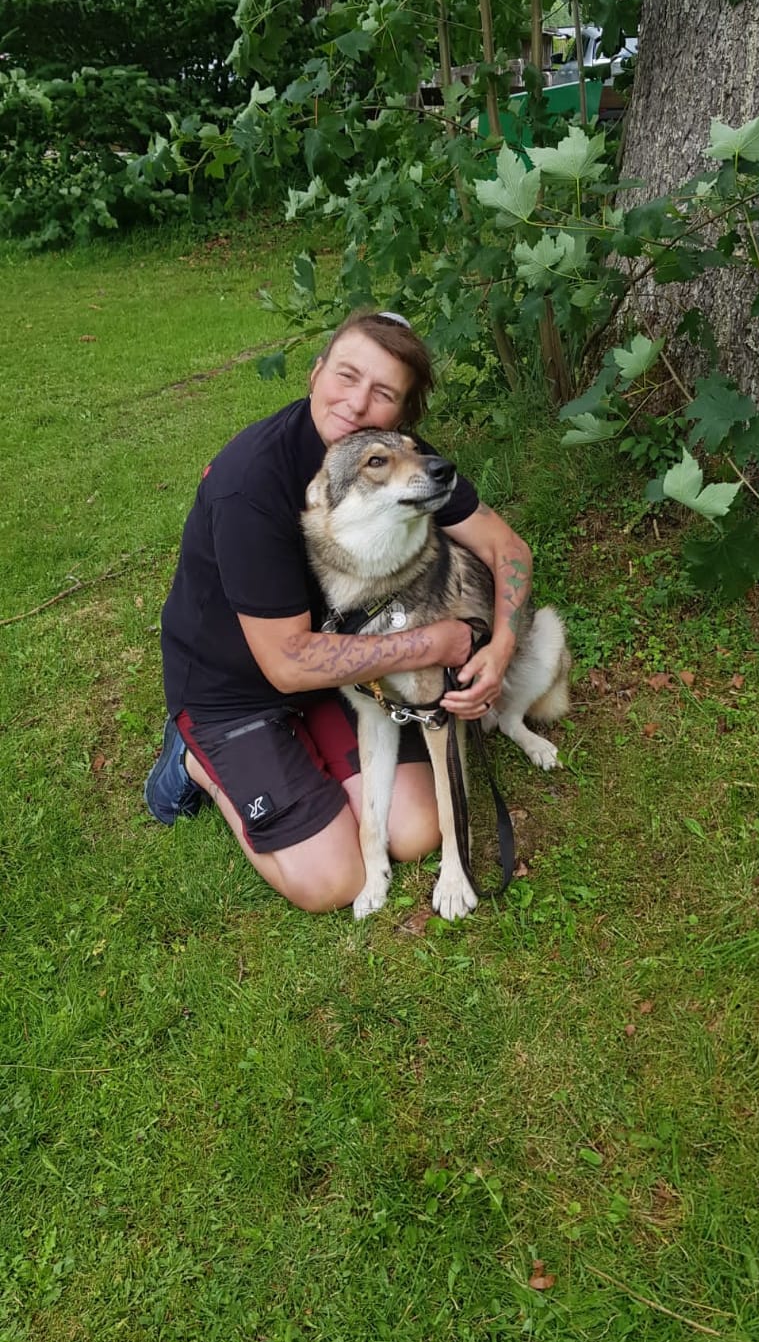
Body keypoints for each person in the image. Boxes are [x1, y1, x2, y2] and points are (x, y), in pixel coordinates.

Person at [144, 310, 533, 912]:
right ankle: (194, 760)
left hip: (336, 678)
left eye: (383, 393)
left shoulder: (396, 457)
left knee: (415, 831)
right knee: (333, 881)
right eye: (347, 376)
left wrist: (501, 646)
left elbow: (506, 547)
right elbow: (288, 665)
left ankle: (306, 761)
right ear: (316, 371)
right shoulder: (251, 485)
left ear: (401, 414)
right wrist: (439, 643)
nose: (356, 403)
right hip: (235, 691)